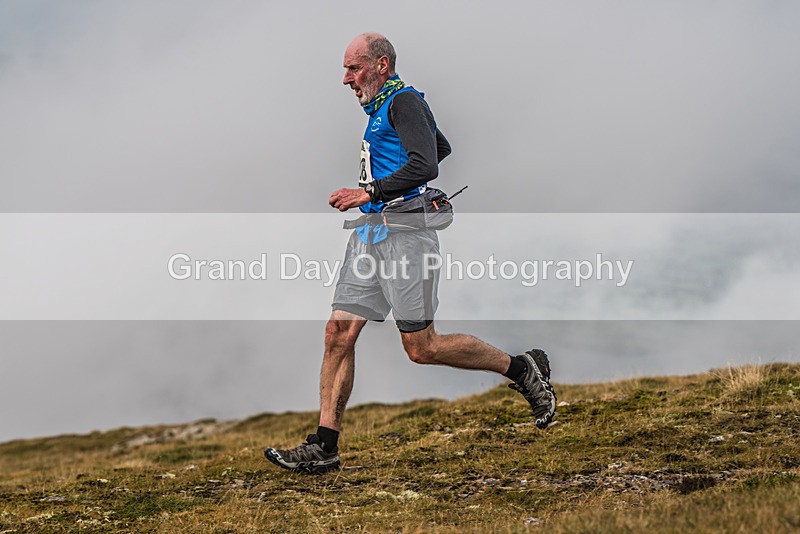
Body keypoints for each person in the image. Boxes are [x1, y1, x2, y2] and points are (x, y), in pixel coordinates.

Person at [264, 33, 556, 474]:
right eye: (345, 69)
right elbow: (439, 147)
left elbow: (428, 163)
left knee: (422, 347)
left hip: (407, 238)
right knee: (337, 334)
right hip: (370, 235)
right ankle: (325, 446)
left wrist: (370, 192)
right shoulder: (383, 107)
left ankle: (521, 369)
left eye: (354, 68)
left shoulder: (404, 102)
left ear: (382, 64)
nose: (346, 79)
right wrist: (380, 196)